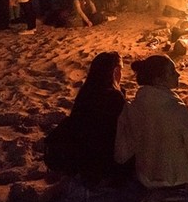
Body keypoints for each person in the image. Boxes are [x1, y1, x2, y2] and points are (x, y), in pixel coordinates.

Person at [115, 55, 188, 191]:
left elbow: (121, 154)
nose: (178, 74)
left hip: (145, 178)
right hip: (178, 180)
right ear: (158, 80)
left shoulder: (131, 108)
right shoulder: (178, 110)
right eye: (172, 72)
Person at [45, 52, 133, 185]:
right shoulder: (113, 97)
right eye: (121, 70)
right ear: (115, 71)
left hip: (81, 158)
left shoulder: (87, 91)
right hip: (101, 162)